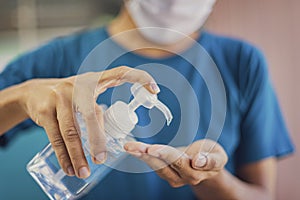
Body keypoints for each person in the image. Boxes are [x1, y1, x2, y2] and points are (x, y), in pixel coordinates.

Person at [0, 0, 294, 199]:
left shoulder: (241, 62)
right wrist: (20, 97)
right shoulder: (61, 57)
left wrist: (213, 179)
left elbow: (262, 194)